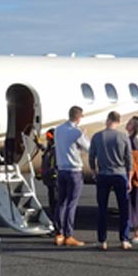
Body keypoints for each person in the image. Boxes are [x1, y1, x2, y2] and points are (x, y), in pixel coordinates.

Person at [88, 111, 133, 250]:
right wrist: (129, 179)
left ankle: (102, 240)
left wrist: (95, 172)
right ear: (118, 122)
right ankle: (124, 239)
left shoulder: (97, 137)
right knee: (124, 209)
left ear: (107, 120)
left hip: (103, 174)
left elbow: (91, 158)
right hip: (119, 175)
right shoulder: (123, 137)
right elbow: (129, 160)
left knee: (102, 208)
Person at [52, 106, 89, 247]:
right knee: (71, 204)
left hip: (61, 170)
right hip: (74, 170)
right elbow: (89, 148)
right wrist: (83, 135)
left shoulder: (58, 130)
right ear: (79, 118)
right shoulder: (76, 132)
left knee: (61, 202)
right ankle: (69, 235)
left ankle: (59, 234)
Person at [126, 116, 138, 244]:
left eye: (130, 123)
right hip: (130, 171)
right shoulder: (127, 138)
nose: (127, 124)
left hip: (136, 172)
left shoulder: (137, 138)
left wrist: (136, 164)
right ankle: (136, 230)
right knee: (132, 201)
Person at [39, 129, 58, 234]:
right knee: (52, 203)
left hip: (54, 181)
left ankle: (57, 227)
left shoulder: (56, 150)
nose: (47, 139)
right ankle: (55, 225)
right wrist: (38, 143)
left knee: (56, 203)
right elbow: (44, 150)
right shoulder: (50, 149)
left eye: (49, 137)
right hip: (50, 181)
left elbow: (55, 165)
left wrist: (53, 174)